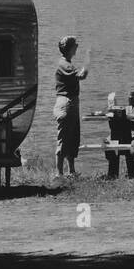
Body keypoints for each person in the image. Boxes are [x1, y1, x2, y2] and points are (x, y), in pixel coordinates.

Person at [54, 36, 89, 176]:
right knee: (64, 139)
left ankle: (72, 172)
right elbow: (81, 75)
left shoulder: (67, 62)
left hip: (71, 103)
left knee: (73, 138)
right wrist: (88, 60)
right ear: (69, 48)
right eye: (75, 45)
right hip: (66, 103)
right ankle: (59, 174)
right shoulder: (64, 64)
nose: (77, 46)